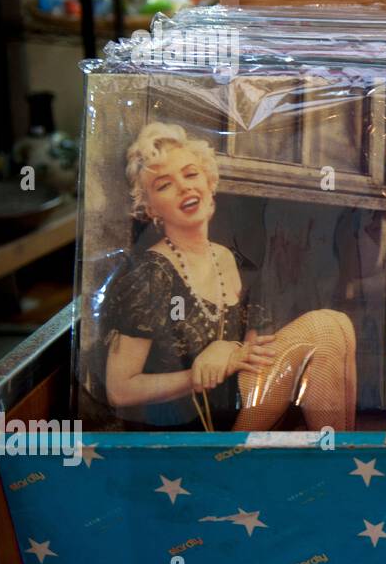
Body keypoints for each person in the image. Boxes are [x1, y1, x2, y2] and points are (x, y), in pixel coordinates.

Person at [99, 122, 358, 431]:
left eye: (191, 174)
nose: (184, 187)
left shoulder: (231, 258)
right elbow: (119, 390)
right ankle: (337, 467)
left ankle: (337, 462)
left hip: (238, 407)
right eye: (164, 185)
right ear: (151, 208)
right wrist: (197, 374)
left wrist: (230, 352)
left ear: (209, 183)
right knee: (325, 327)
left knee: (337, 326)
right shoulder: (148, 275)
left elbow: (254, 348)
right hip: (188, 426)